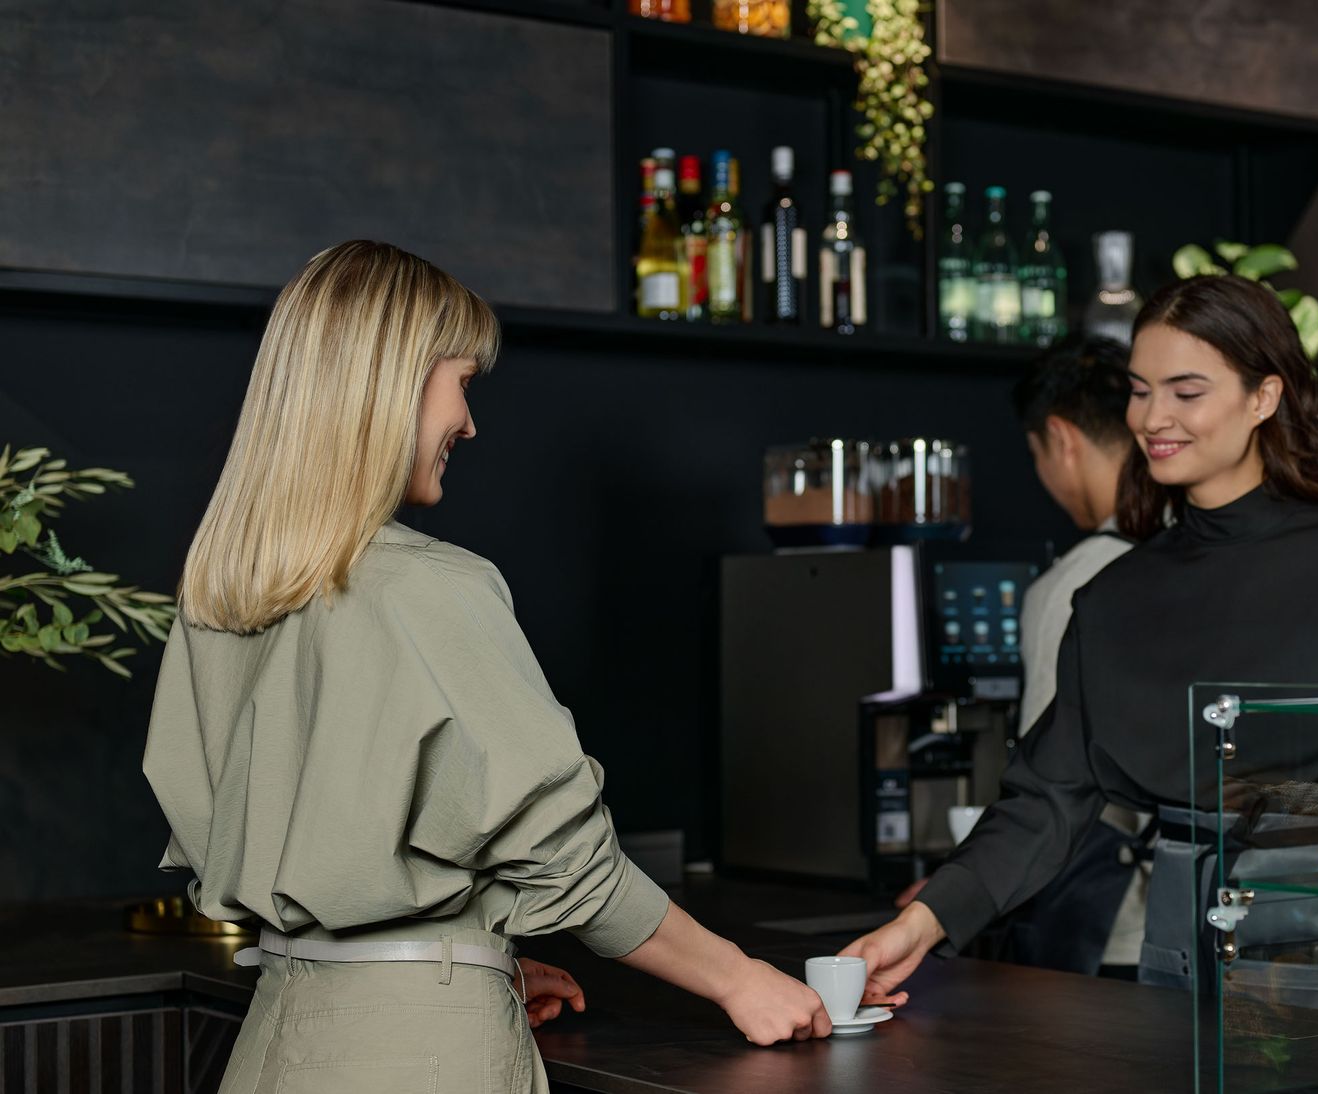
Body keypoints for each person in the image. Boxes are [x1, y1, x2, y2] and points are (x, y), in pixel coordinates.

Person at [144, 241, 830, 1094]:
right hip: (419, 1058)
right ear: (389, 382)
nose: (469, 422)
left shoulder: (220, 591)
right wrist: (741, 978)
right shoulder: (430, 586)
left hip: (275, 1038)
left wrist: (477, 957)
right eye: (461, 381)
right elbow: (568, 863)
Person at [845, 273, 1318, 1022]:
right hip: (1180, 960)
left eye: (1186, 390)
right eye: (1141, 390)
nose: (1153, 417)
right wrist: (923, 922)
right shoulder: (1113, 597)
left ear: (1263, 397)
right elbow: (1047, 797)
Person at [897, 337, 1148, 977]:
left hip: (1109, 932)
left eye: (1036, 453)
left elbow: (1051, 786)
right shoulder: (1195, 559)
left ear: (1061, 439)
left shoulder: (1074, 585)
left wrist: (957, 895)